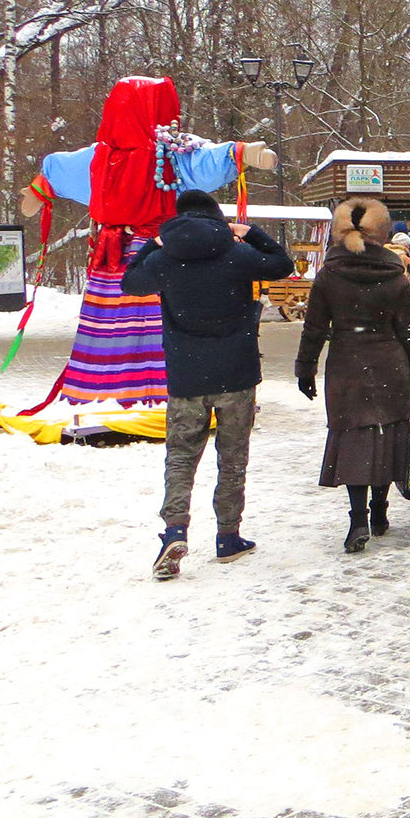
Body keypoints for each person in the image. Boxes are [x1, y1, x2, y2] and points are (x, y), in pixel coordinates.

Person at [122, 189, 293, 580]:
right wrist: (250, 232)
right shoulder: (236, 255)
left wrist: (153, 244)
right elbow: (282, 264)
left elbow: (129, 282)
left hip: (186, 376)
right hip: (237, 374)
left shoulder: (165, 259)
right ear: (217, 217)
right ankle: (228, 536)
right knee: (232, 458)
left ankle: (174, 531)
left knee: (181, 457)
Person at [295, 198, 410, 554]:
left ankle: (358, 519)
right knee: (387, 435)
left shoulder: (329, 274)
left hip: (347, 366)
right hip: (390, 364)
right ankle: (380, 510)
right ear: (381, 231)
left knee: (355, 439)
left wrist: (305, 367)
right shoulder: (394, 274)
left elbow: (314, 327)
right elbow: (409, 327)